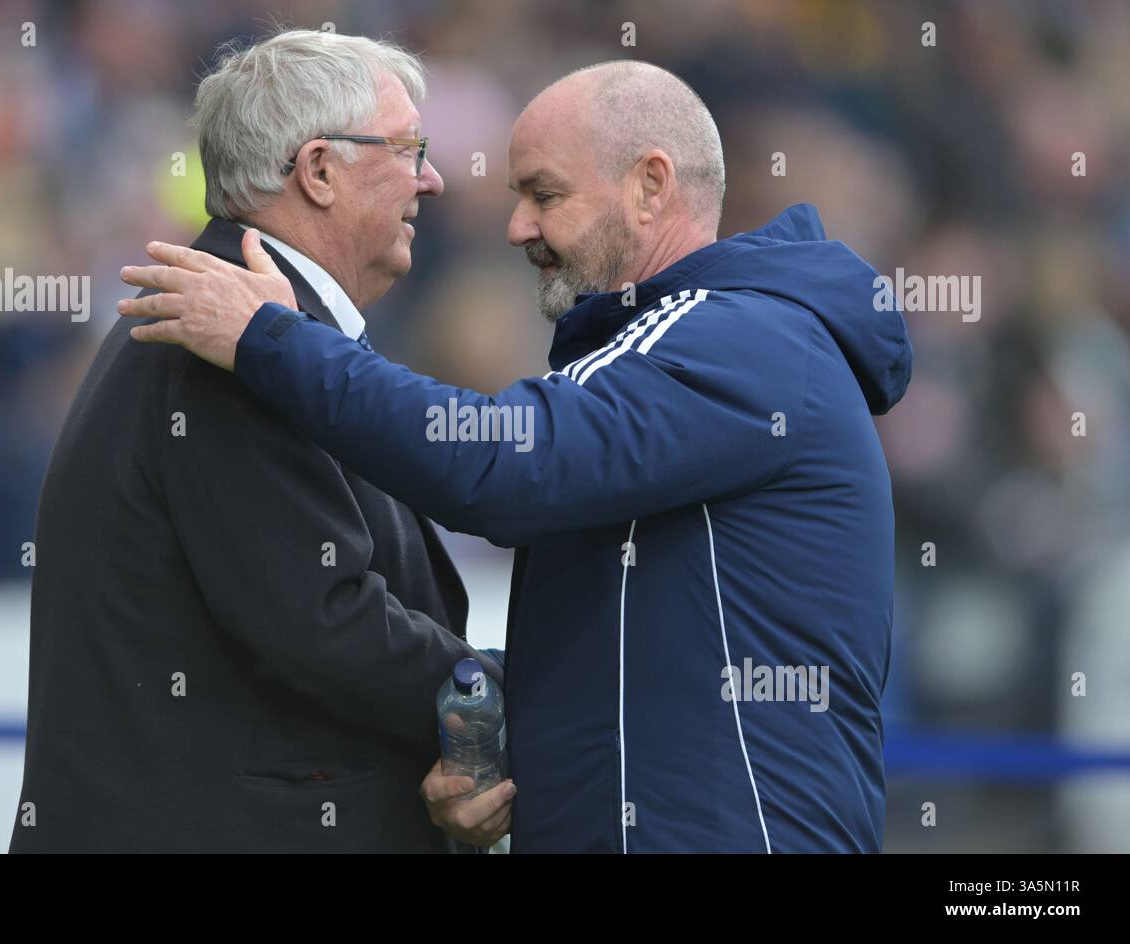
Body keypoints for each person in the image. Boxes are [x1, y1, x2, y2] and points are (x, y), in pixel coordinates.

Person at [119, 60, 913, 853]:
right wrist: (497, 741)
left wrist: (272, 341)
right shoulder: (689, 352)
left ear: (650, 185)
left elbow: (498, 466)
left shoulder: (742, 338)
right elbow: (636, 649)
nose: (517, 228)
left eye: (545, 195)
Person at [10, 29, 507, 854]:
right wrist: (508, 696)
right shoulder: (229, 343)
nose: (433, 176)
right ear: (318, 171)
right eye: (410, 148)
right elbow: (326, 622)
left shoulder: (250, 327)